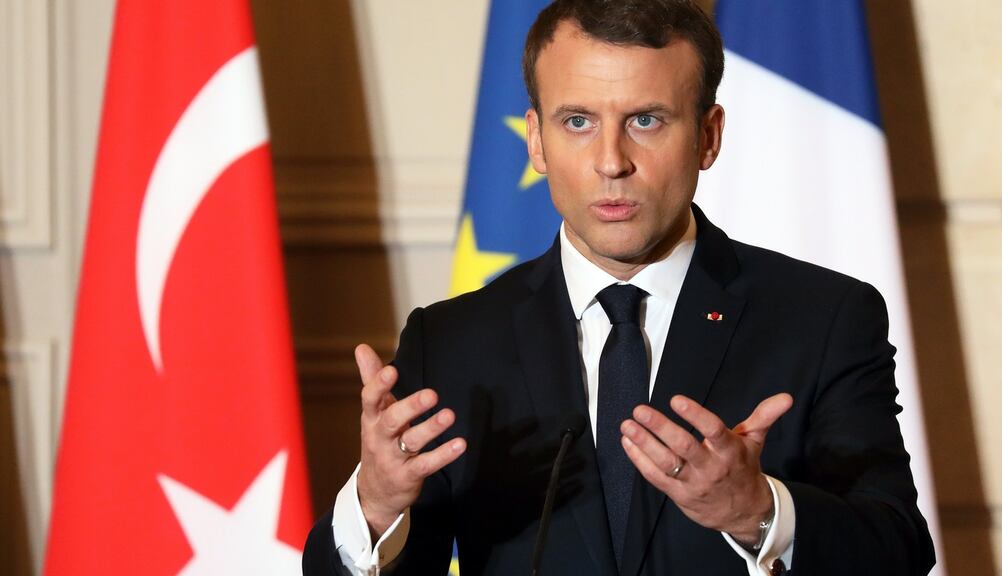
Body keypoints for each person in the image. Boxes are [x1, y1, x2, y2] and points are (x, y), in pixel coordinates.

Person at [303, 1, 936, 574]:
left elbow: (899, 550)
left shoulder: (824, 319)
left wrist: (758, 511)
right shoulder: (450, 341)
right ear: (536, 140)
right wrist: (376, 506)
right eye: (577, 121)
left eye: (646, 121)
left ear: (708, 136)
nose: (611, 161)